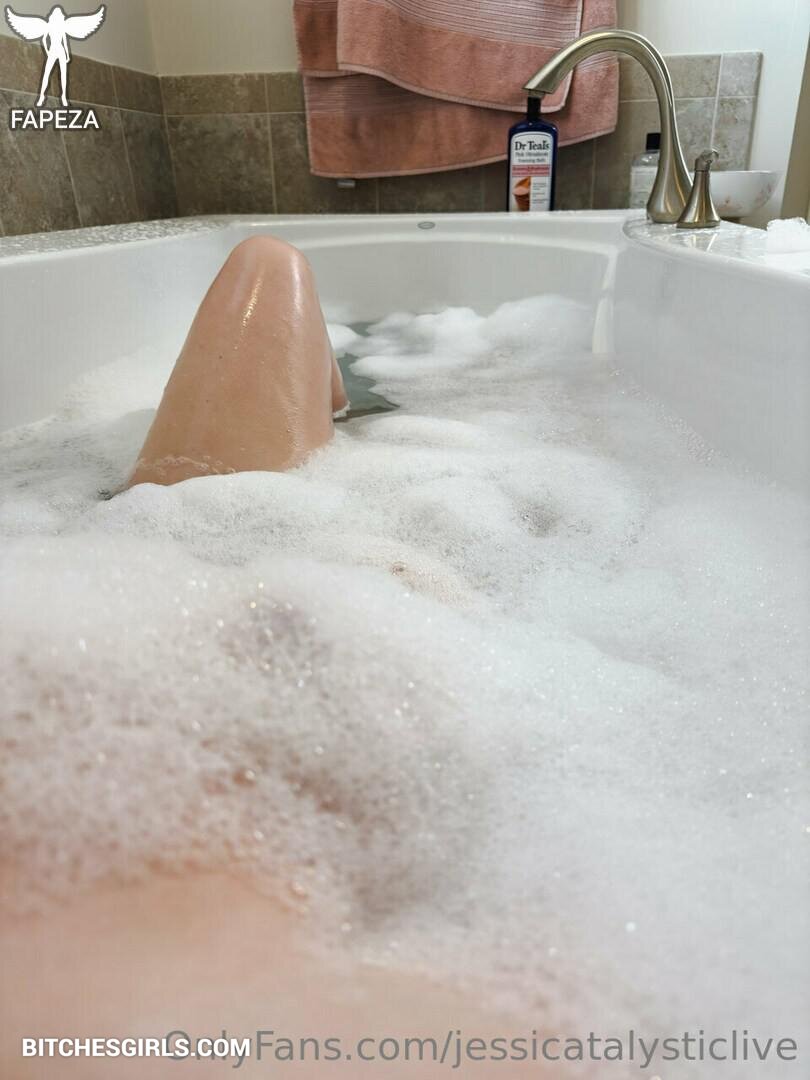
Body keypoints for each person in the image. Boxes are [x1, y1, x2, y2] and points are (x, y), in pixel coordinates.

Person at [127, 235, 348, 489]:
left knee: (265, 255)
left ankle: (335, 397)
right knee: (270, 257)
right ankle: (336, 399)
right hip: (262, 495)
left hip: (163, 497)